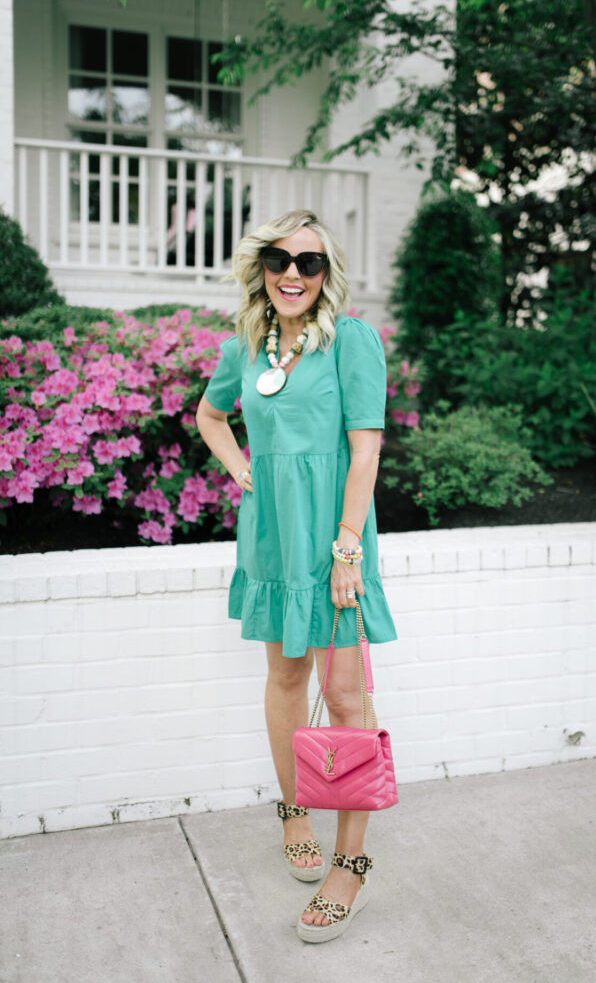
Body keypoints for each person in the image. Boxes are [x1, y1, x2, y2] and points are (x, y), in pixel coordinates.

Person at [196, 209, 396, 943]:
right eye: (279, 259)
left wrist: (348, 550)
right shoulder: (242, 348)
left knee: (345, 695)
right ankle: (293, 814)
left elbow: (365, 452)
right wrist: (242, 469)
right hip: (275, 536)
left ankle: (351, 868)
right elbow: (209, 417)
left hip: (335, 537)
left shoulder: (351, 342)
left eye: (308, 263)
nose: (291, 273)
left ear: (325, 275)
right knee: (285, 678)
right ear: (261, 268)